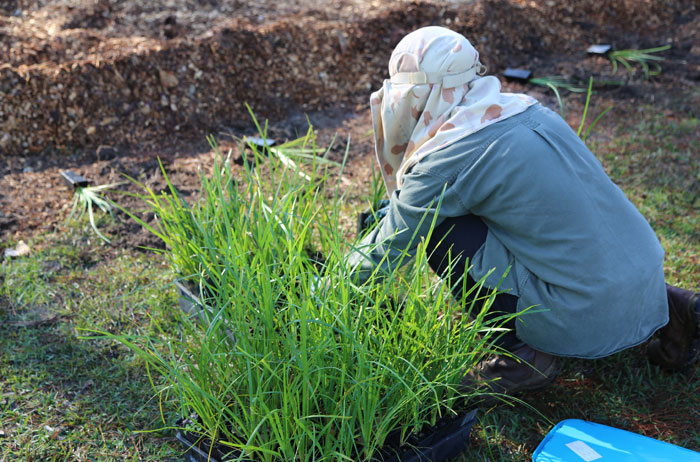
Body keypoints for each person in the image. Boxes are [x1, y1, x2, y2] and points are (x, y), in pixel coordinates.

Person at [345, 26, 699, 394]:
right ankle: (677, 309)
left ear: (418, 93)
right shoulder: (526, 109)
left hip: (585, 314)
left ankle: (522, 356)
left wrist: (321, 298)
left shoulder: (446, 157)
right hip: (645, 280)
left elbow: (386, 248)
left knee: (438, 227)